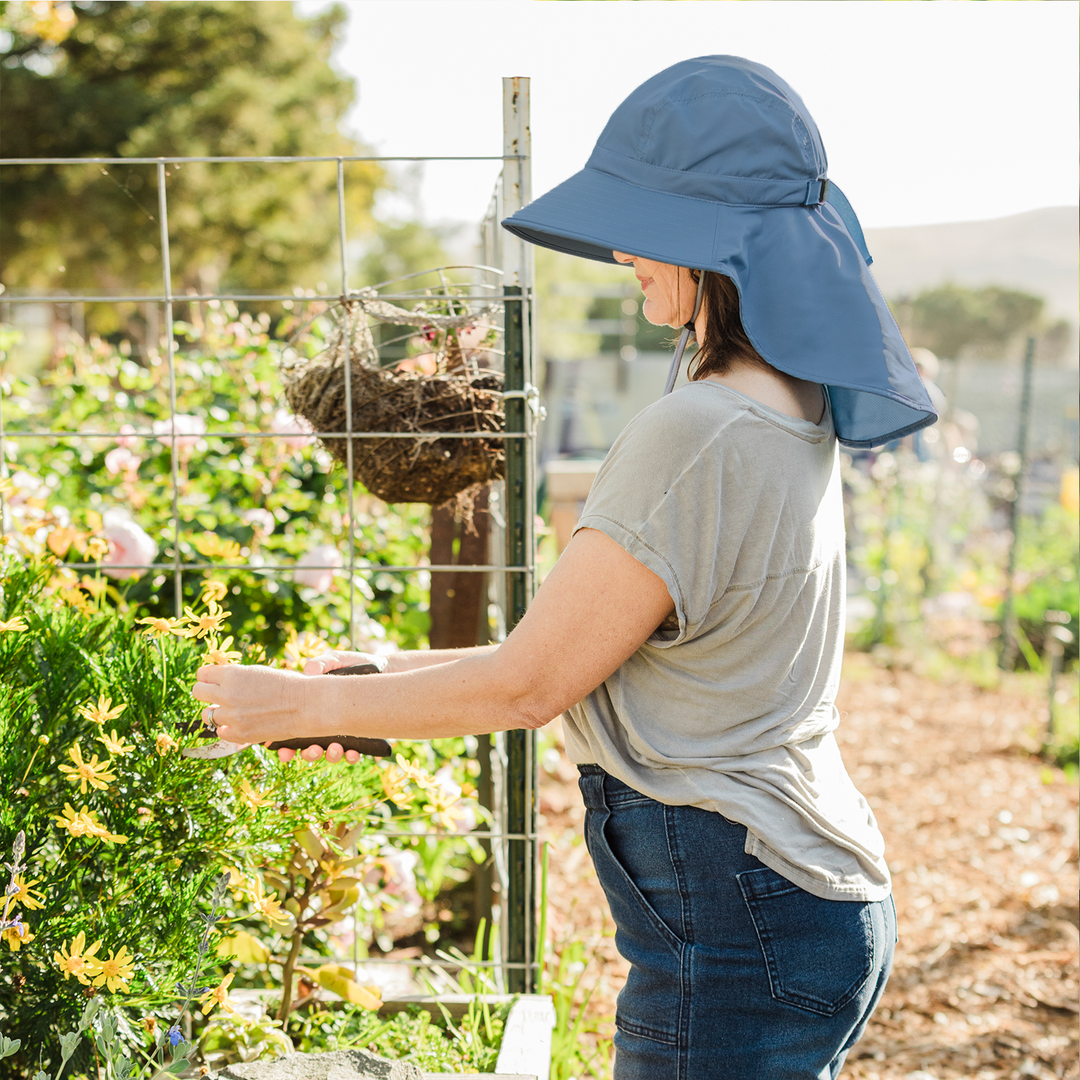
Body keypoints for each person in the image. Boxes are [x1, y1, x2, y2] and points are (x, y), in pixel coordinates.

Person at [194, 56, 938, 1078]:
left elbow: (529, 685)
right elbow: (584, 648)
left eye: (647, 223)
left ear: (721, 240)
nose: (623, 249)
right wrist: (370, 678)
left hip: (742, 925)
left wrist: (292, 707)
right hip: (793, 902)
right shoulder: (790, 404)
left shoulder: (699, 430)